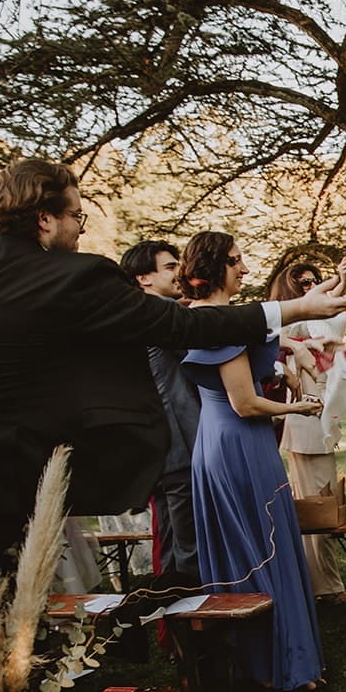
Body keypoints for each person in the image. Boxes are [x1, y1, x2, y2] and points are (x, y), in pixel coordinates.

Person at [0, 159, 346, 628]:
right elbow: (179, 327)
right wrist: (293, 309)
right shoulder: (72, 276)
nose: (79, 230)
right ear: (45, 218)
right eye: (77, 217)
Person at [179, 232, 327, 692]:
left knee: (246, 545)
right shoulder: (221, 323)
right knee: (266, 544)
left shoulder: (205, 317)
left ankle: (256, 664)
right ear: (216, 266)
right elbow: (244, 402)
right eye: (236, 261)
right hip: (240, 439)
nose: (244, 269)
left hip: (217, 439)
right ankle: (280, 664)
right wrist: (297, 409)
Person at [270, 262, 346, 604]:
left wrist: (342, 280)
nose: (311, 286)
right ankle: (324, 587)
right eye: (302, 282)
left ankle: (323, 583)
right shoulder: (286, 325)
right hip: (304, 416)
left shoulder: (316, 316)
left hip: (322, 413)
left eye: (314, 280)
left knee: (325, 501)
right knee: (317, 505)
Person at [121, 239, 201, 584]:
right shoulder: (160, 317)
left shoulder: (134, 314)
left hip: (157, 445)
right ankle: (198, 626)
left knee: (170, 539)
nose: (178, 272)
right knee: (189, 546)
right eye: (169, 267)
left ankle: (174, 628)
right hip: (178, 442)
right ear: (143, 278)